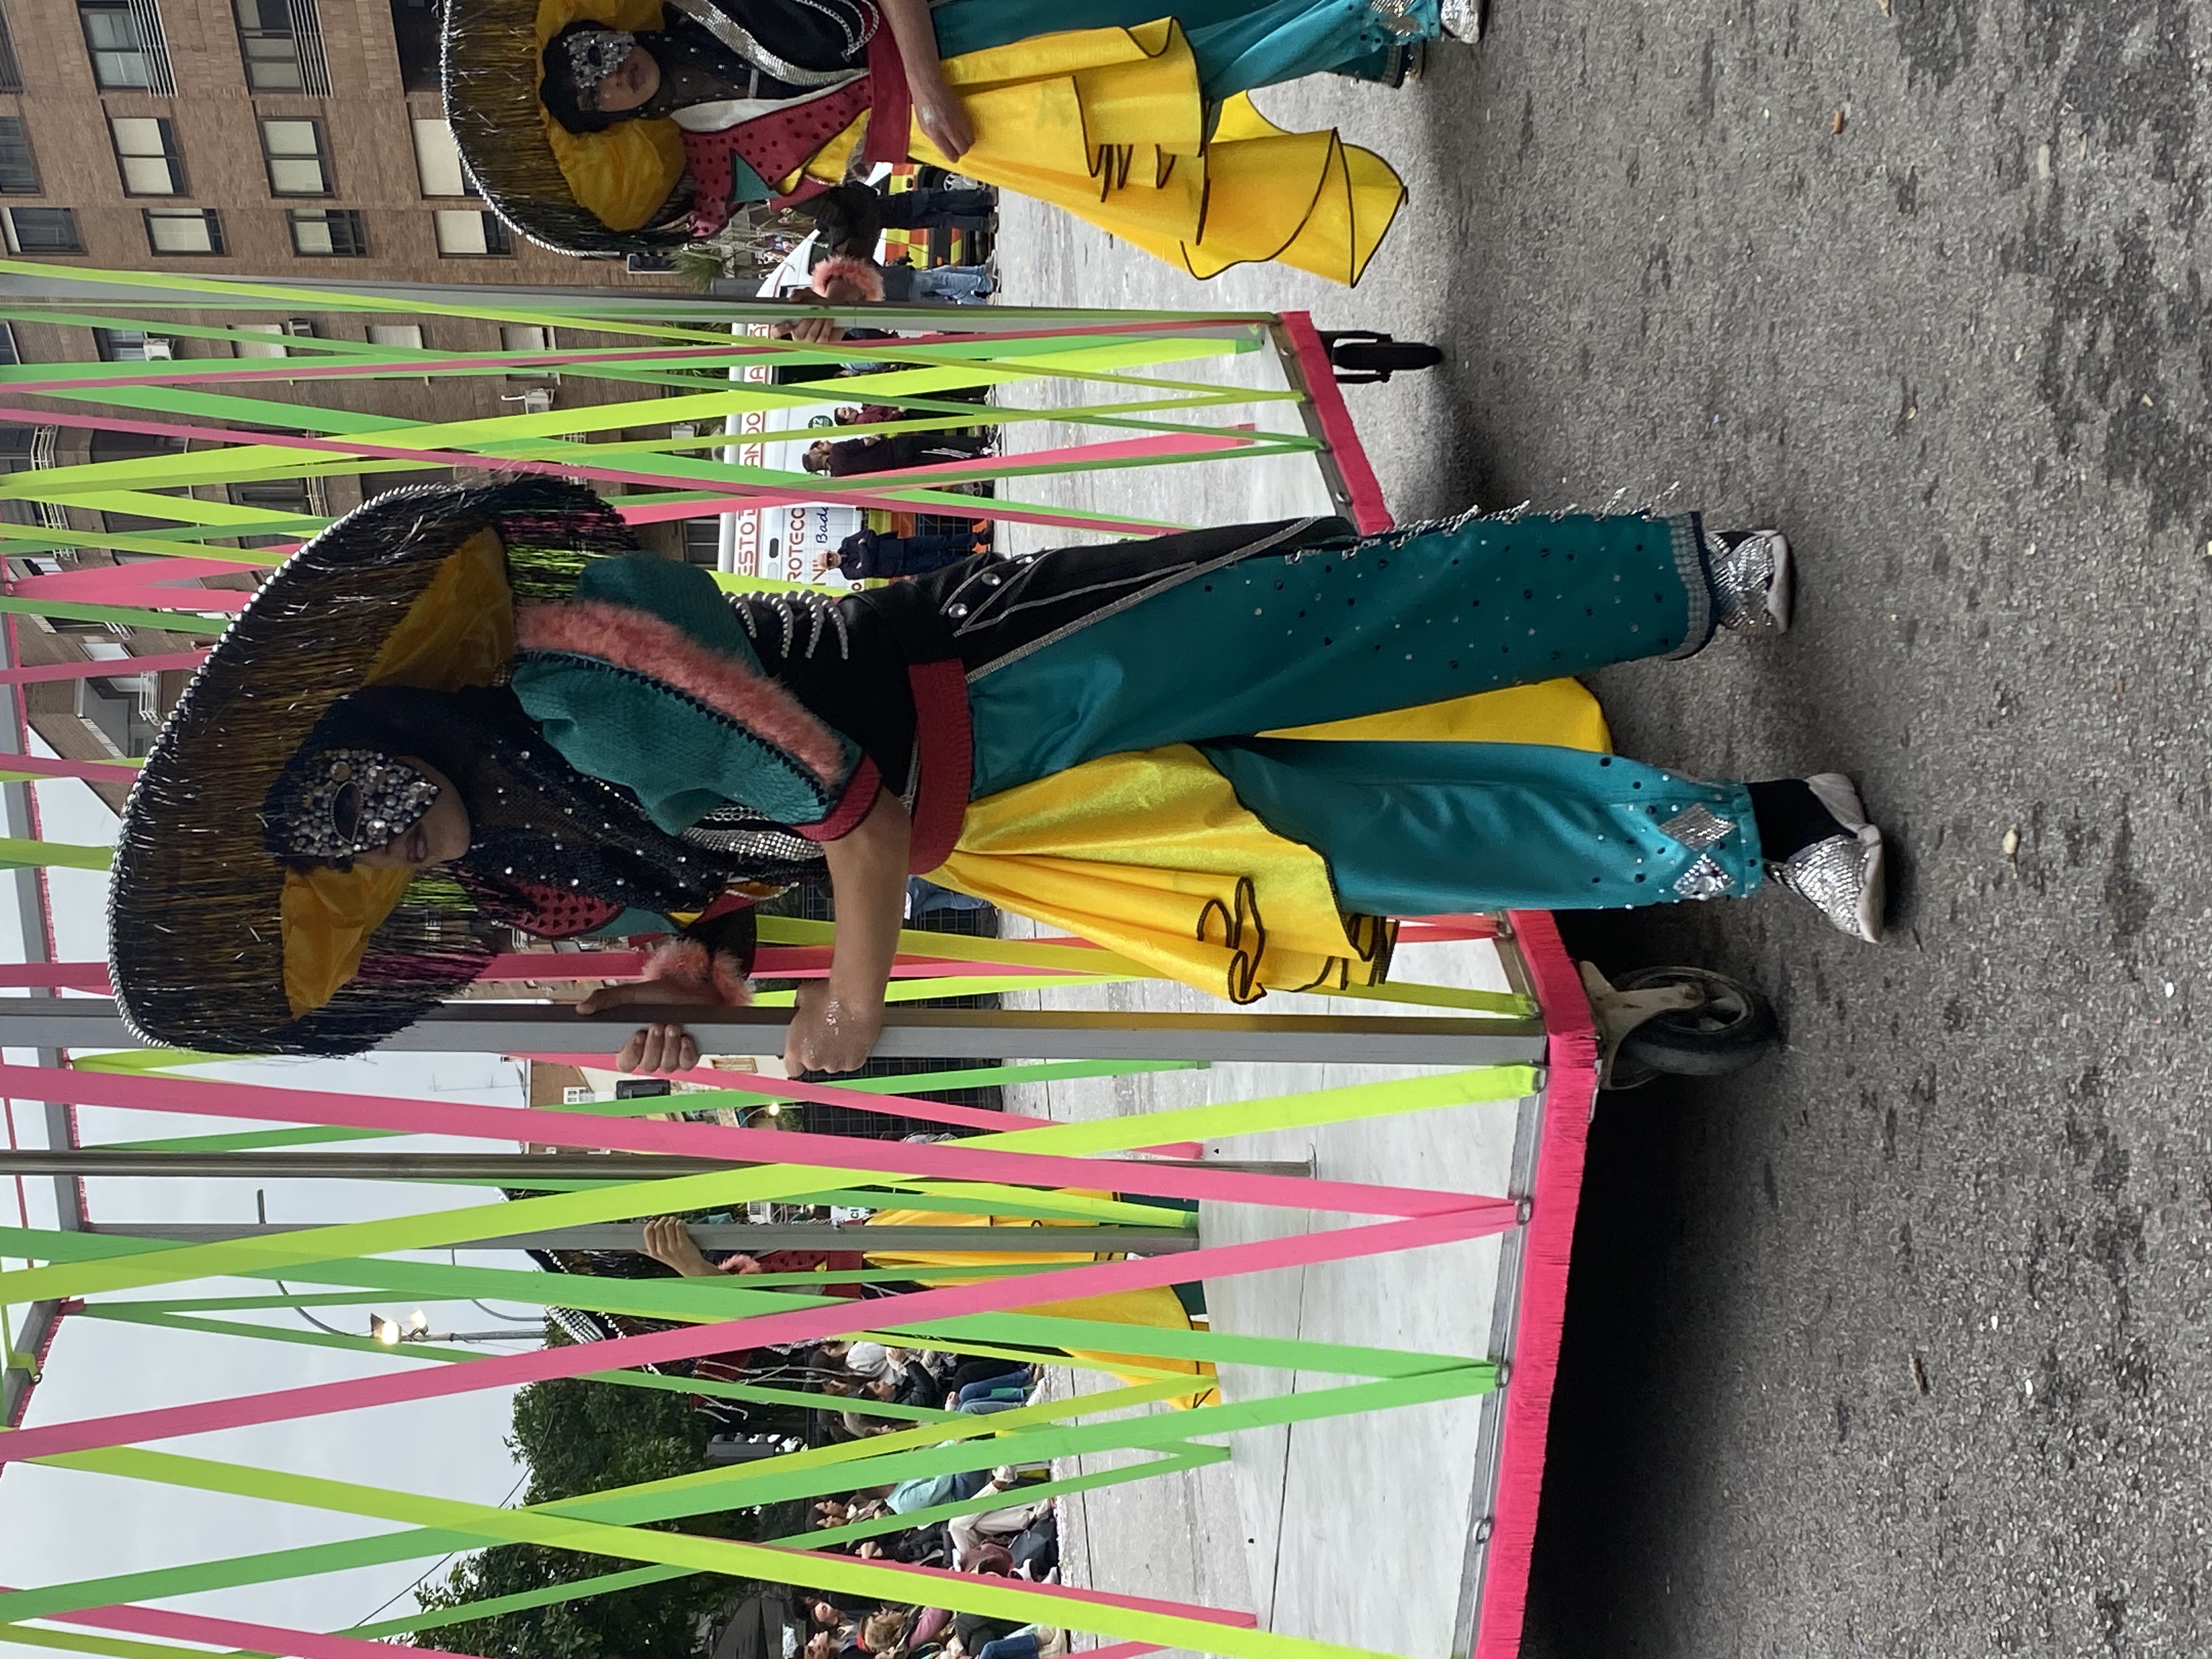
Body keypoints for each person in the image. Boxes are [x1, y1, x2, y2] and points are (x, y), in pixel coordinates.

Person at [113, 479, 1888, 1080]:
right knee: (1372, 856)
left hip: (1008, 682)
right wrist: (697, 974)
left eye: (345, 797)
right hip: (1016, 833)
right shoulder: (510, 855)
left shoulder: (569, 658)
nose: (372, 839)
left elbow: (846, 810)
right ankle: (1772, 832)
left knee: (1353, 625)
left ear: (363, 719)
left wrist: (853, 1002)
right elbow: (730, 867)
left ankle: (1690, 576)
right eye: (333, 855)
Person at [450, 0, 1458, 283]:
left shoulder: (715, 4)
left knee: (1170, 33)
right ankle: (1364, 33)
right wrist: (840, 274)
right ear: (608, 126)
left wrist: (928, 83)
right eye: (590, 93)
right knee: (1163, 127)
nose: (609, 72)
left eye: (594, 51)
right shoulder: (708, 164)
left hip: (969, 37)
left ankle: (1379, 20)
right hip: (979, 132)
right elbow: (838, 204)